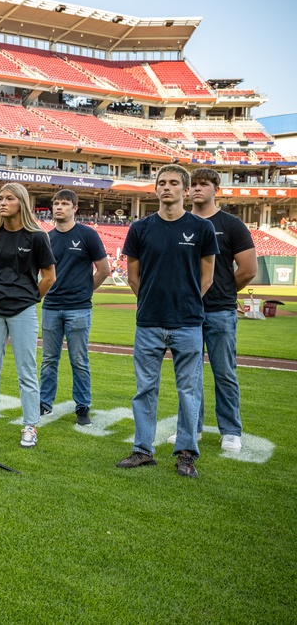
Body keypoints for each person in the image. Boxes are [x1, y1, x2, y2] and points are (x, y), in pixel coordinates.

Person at [117, 164, 217, 478]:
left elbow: (207, 277)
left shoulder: (202, 229)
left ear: (185, 191)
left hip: (188, 322)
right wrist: (151, 301)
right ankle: (142, 450)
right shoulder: (140, 228)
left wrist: (186, 302)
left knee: (190, 392)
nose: (167, 187)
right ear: (156, 188)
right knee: (144, 390)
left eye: (174, 183)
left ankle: (186, 454)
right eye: (162, 182)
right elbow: (133, 277)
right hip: (148, 322)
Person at [166, 168, 255, 452]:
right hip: (187, 313)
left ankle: (231, 430)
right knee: (189, 376)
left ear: (216, 189)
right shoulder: (180, 222)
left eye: (205, 184)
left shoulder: (231, 225)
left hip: (219, 311)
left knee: (224, 371)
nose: (198, 189)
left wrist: (225, 291)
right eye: (194, 185)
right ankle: (192, 427)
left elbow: (248, 269)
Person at [0, 183, 55, 448]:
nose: (2, 203)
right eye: (0, 199)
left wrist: (30, 297)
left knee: (27, 370)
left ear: (22, 202)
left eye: (9, 198)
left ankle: (30, 425)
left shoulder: (37, 237)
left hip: (24, 310)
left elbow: (49, 276)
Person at [38, 189, 109, 426]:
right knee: (49, 359)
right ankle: (44, 403)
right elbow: (41, 272)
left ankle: (82, 406)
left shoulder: (88, 235)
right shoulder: (46, 238)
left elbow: (104, 270)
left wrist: (86, 291)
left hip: (79, 308)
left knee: (79, 360)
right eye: (56, 203)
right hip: (51, 306)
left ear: (74, 208)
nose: (59, 207)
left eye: (65, 204)